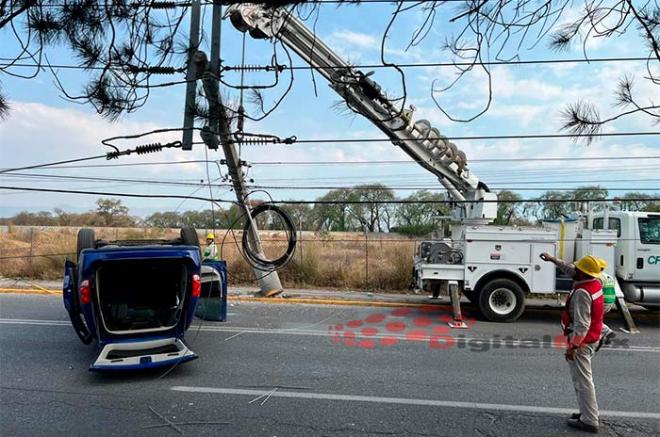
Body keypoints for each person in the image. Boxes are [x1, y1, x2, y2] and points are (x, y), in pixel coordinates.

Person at [541, 253, 604, 434]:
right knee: (582, 380)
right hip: (593, 337)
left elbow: (582, 325)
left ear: (583, 274)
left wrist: (573, 347)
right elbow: (570, 270)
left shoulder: (582, 293)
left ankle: (590, 420)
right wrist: (553, 260)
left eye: (577, 269)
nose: (573, 270)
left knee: (583, 381)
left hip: (583, 342)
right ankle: (587, 412)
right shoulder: (594, 283)